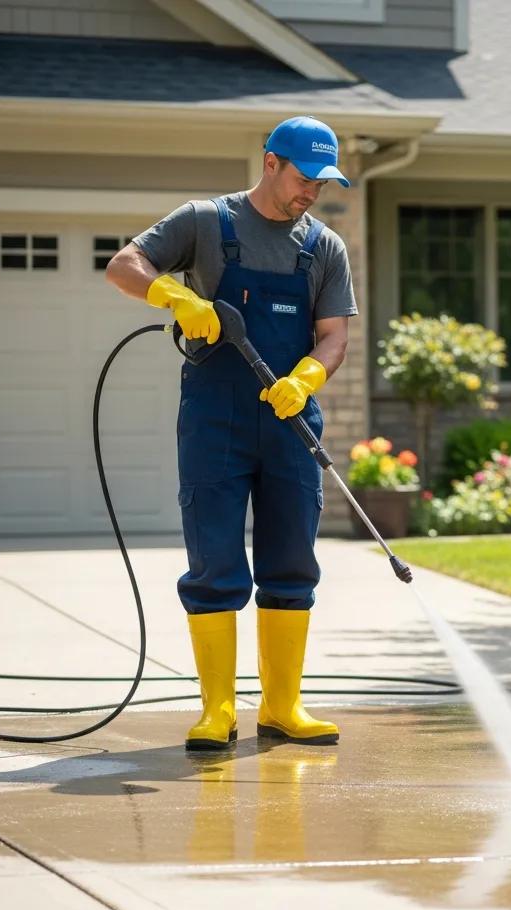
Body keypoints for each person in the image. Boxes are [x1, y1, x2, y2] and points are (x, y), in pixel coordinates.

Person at [105, 115, 357, 752]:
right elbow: (124, 265)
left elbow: (334, 337)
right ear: (271, 163)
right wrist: (175, 297)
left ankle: (282, 706)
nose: (311, 193)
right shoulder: (204, 222)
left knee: (292, 562)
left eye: (322, 183)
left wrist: (307, 376)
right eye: (304, 179)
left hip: (289, 421)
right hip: (215, 420)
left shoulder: (323, 247)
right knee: (215, 561)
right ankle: (217, 709)